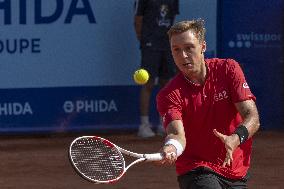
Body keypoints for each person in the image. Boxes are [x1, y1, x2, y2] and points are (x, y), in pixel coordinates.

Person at [156, 19, 260, 189]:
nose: (183, 56)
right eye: (176, 50)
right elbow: (176, 133)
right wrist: (171, 147)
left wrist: (235, 138)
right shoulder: (168, 94)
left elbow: (252, 116)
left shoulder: (228, 69)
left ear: (203, 47)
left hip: (235, 169)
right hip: (196, 168)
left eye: (189, 48)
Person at [134, 0, 179, 138]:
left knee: (167, 84)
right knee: (148, 83)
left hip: (167, 46)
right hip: (150, 45)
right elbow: (137, 20)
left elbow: (172, 20)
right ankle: (144, 125)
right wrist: (145, 41)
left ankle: (163, 124)